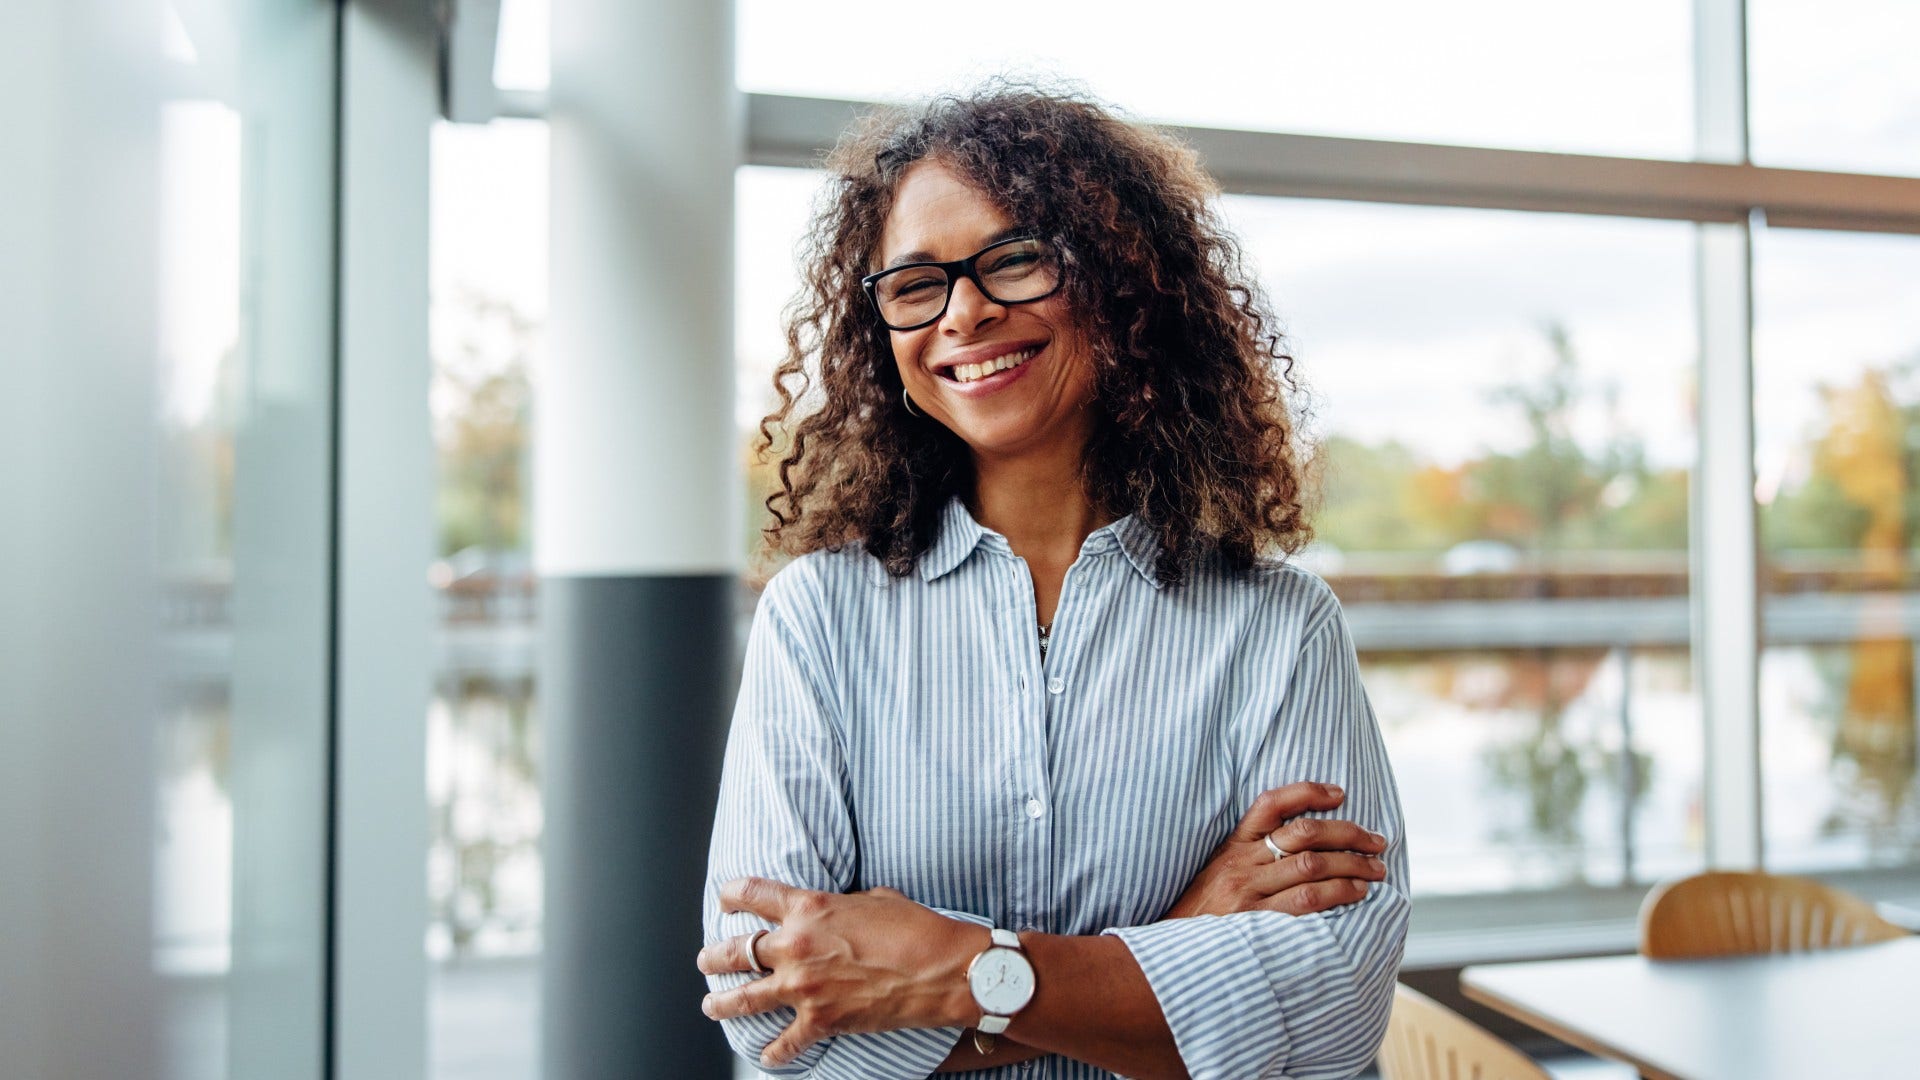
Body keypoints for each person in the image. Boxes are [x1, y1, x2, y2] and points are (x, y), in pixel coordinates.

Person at [697, 82, 1408, 1080]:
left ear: (1123, 281)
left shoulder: (1279, 627)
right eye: (915, 284)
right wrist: (1179, 943)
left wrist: (947, 975)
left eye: (1016, 259)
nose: (967, 312)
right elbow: (770, 1019)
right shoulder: (817, 619)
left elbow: (1333, 1010)